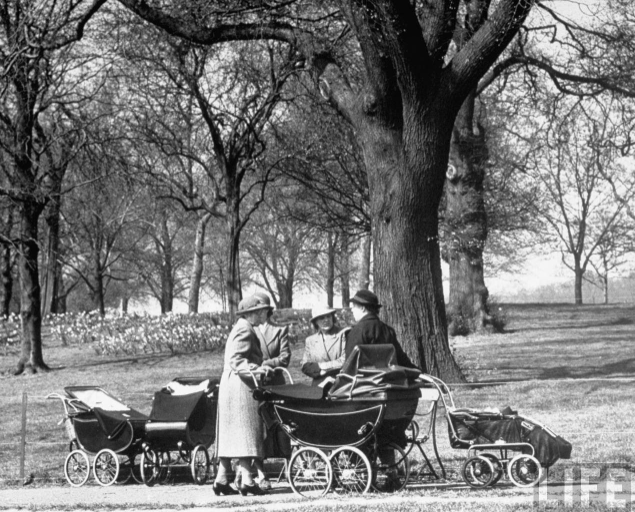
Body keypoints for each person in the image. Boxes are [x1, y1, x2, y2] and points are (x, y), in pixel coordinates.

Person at [213, 295, 273, 497]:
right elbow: (236, 359)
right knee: (247, 431)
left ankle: (221, 478)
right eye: (263, 310)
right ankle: (247, 480)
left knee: (233, 434)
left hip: (231, 384)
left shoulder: (240, 327)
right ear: (253, 313)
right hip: (240, 385)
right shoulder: (245, 328)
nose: (265, 313)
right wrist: (258, 369)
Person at [251, 292, 291, 490]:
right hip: (256, 383)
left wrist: (266, 363)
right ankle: (260, 472)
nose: (260, 313)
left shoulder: (280, 330)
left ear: (268, 311)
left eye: (263, 309)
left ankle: (288, 466)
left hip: (276, 383)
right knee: (258, 427)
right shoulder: (248, 331)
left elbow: (284, 358)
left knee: (281, 425)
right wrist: (257, 368)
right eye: (257, 309)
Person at [344, 289, 417, 369]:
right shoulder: (388, 330)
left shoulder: (356, 332)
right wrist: (419, 372)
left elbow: (349, 368)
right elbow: (402, 360)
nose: (352, 309)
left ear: (362, 308)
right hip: (389, 379)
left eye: (354, 306)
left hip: (365, 380)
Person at [301, 306, 350, 385]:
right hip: (319, 384)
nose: (326, 320)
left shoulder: (344, 334)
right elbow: (305, 365)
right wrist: (321, 372)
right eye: (322, 318)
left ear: (332, 317)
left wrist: (322, 367)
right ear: (316, 321)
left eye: (328, 316)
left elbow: (346, 360)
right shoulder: (310, 340)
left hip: (340, 383)